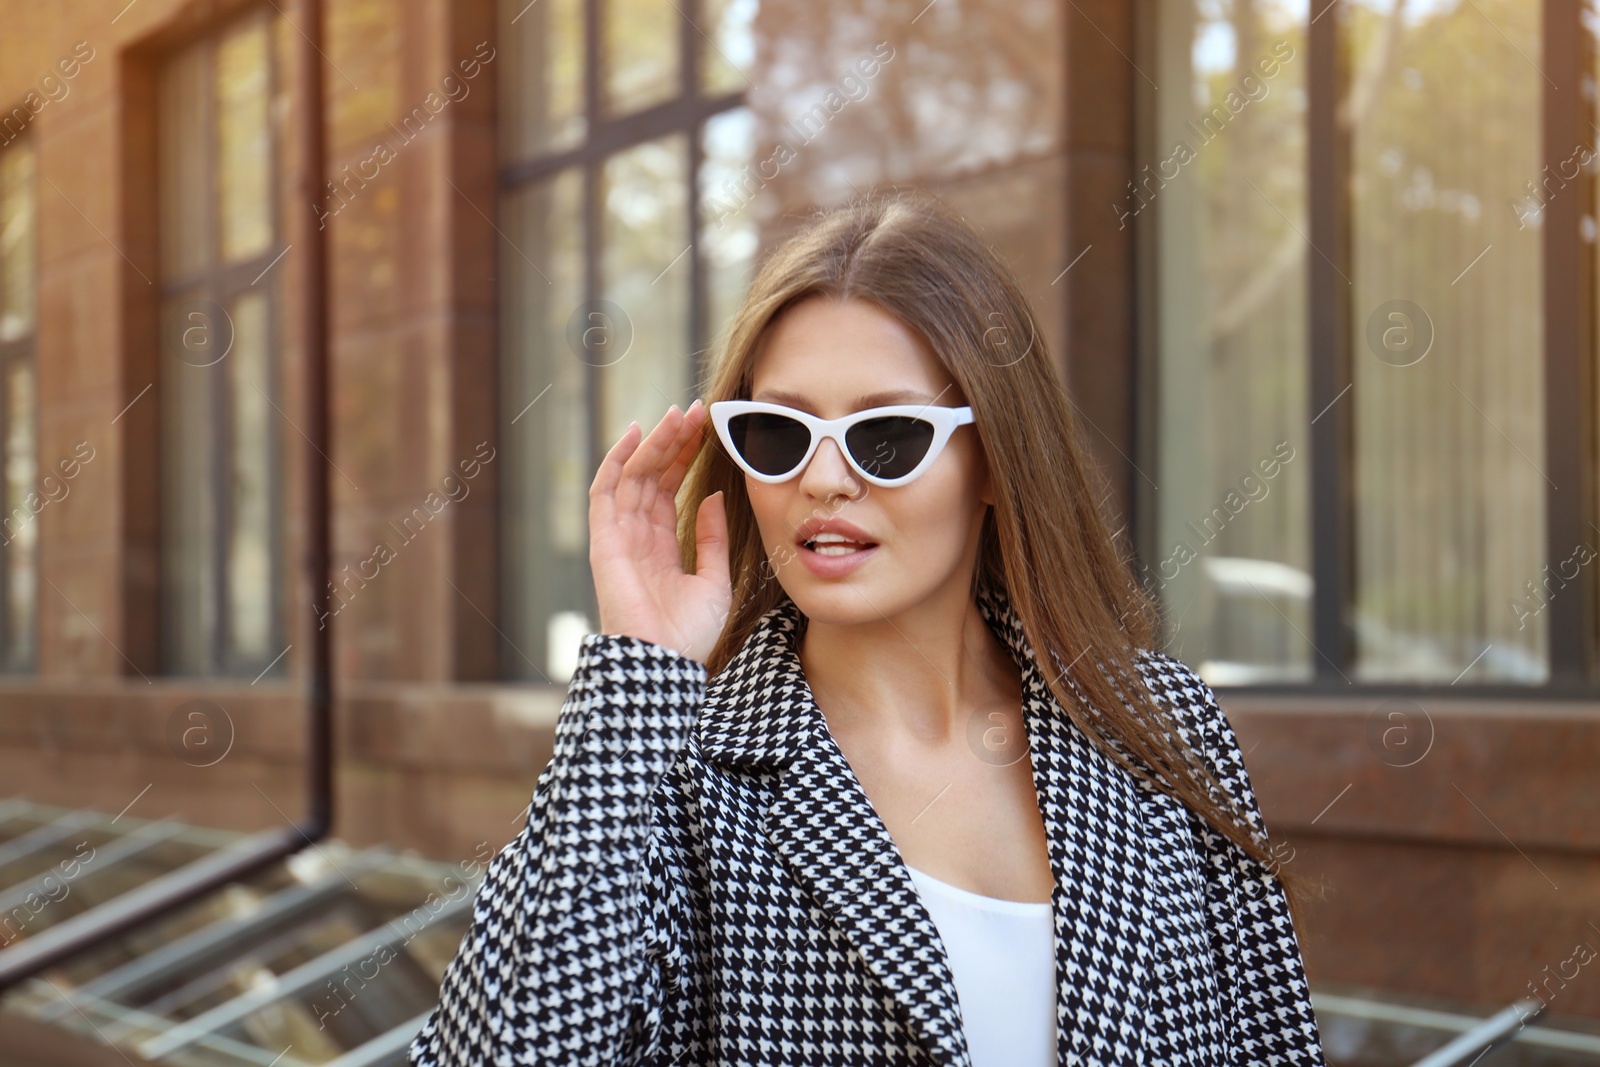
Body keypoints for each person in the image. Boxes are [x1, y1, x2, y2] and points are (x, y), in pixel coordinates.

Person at [407, 191, 1327, 1066]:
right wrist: (636, 674)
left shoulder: (1158, 727)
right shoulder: (675, 780)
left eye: (886, 435)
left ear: (996, 463)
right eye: (778, 433)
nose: (825, 479)